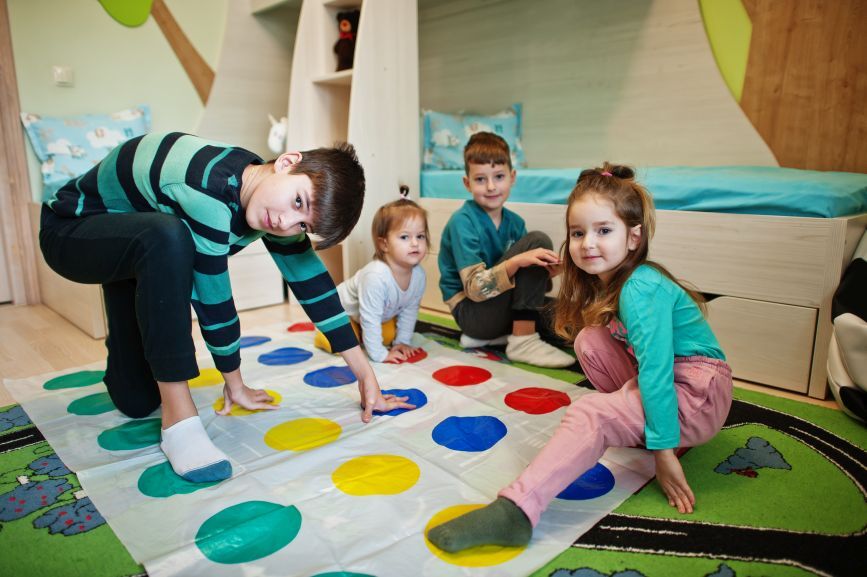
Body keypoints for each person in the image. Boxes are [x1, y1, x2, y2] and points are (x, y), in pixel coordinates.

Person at [39, 132, 414, 484]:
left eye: (303, 224)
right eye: (299, 202)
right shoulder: (208, 191)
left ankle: (125, 333)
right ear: (287, 162)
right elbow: (214, 299)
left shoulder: (268, 197)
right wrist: (234, 382)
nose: (286, 222)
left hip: (130, 250)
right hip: (72, 230)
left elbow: (312, 283)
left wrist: (364, 374)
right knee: (170, 236)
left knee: (137, 402)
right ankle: (179, 424)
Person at [427, 163, 733, 552]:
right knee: (589, 340)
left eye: (603, 231)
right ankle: (642, 423)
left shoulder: (640, 288)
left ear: (634, 238)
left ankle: (517, 510)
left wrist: (663, 452)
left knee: (591, 412)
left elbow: (656, 371)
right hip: (682, 383)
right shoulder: (616, 283)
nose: (587, 243)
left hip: (698, 396)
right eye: (577, 233)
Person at [437, 132, 574, 368]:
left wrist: (548, 272)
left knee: (574, 320)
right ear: (467, 183)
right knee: (538, 240)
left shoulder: (515, 223)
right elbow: (474, 290)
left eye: (498, 176)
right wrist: (518, 261)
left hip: (502, 309)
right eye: (480, 179)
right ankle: (522, 340)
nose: (491, 187)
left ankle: (494, 338)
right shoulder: (463, 221)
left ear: (512, 177)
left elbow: (525, 290)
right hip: (472, 313)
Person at [314, 198, 428, 363]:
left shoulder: (419, 276)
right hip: (338, 313)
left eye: (420, 236)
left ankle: (361, 334)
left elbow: (410, 310)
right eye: (404, 237)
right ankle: (323, 333)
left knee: (388, 336)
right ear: (384, 244)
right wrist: (381, 355)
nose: (415, 243)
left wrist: (402, 342)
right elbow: (370, 318)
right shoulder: (375, 277)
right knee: (345, 343)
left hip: (366, 317)